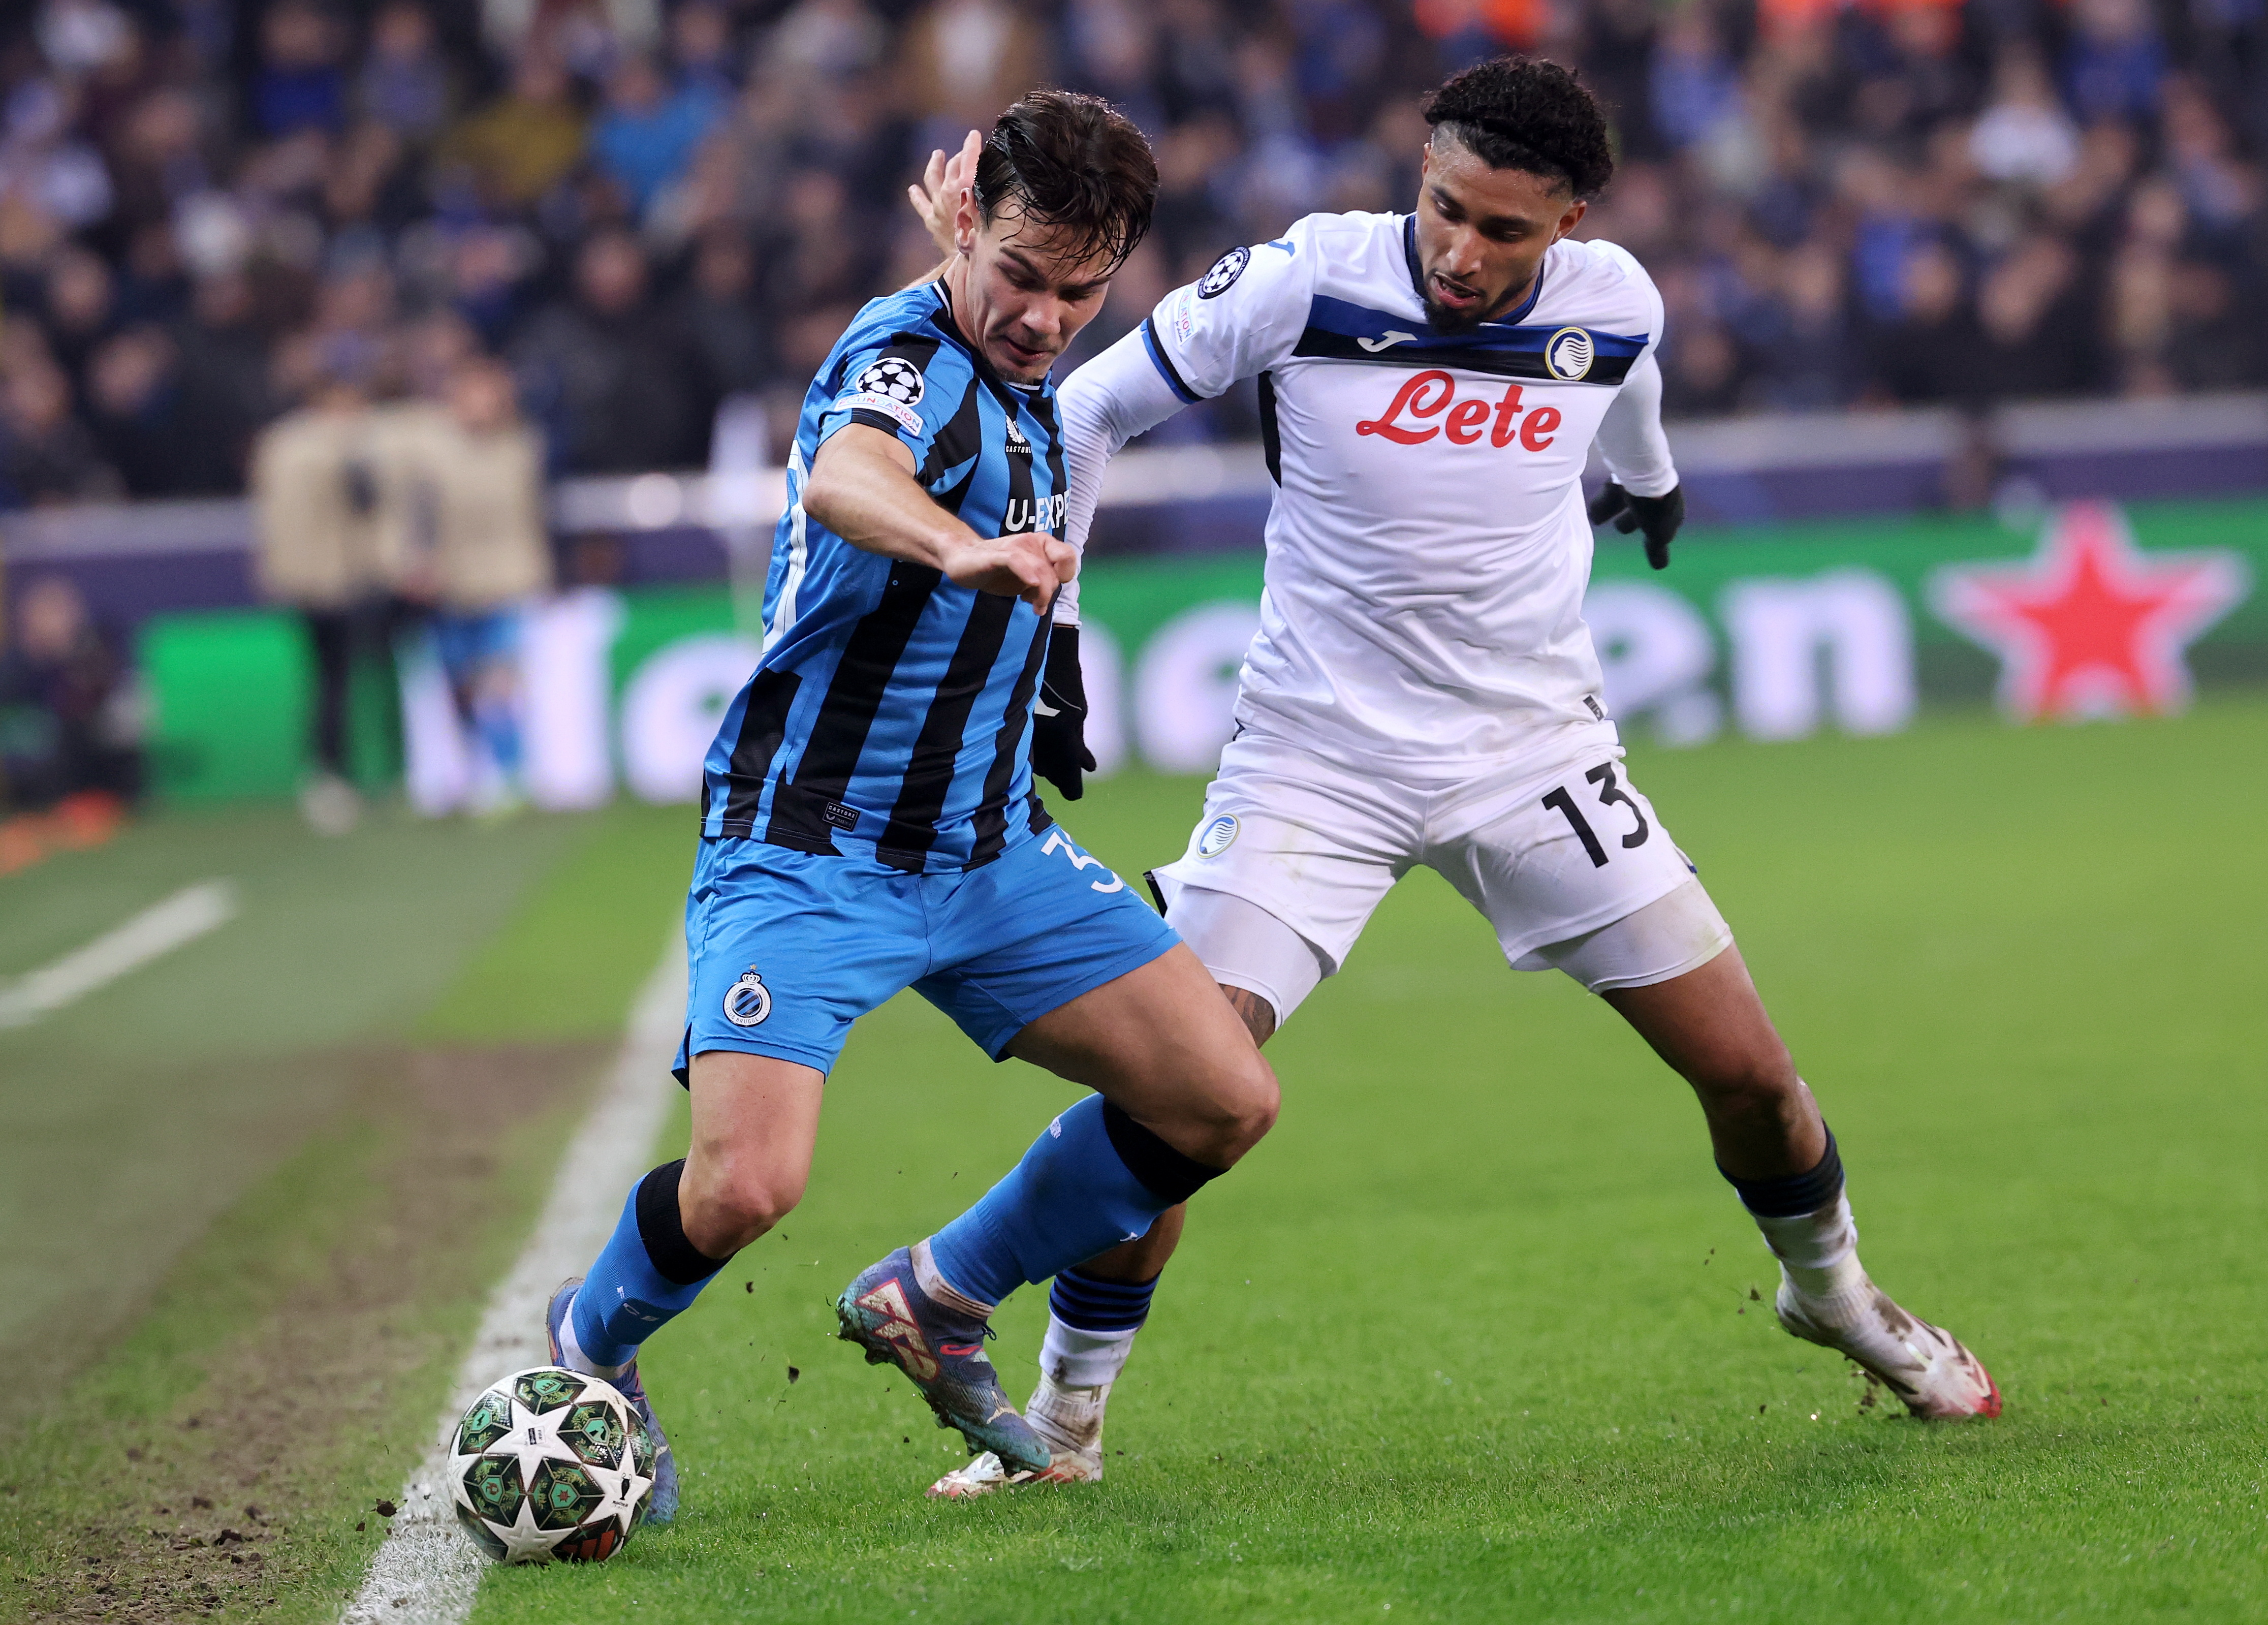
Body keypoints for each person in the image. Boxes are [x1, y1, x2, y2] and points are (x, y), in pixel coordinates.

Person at [907, 56, 1999, 1499]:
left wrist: (1653, 478)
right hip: (1317, 762)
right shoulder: (1306, 281)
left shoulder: (1614, 299)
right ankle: (1066, 1417)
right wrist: (1053, 633)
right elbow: (1090, 409)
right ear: (1416, 167)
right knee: (1183, 1088)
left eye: (1507, 231)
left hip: (1535, 752)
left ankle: (1837, 1295)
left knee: (1752, 1077)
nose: (1463, 252)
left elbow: (1633, 378)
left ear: (1572, 224)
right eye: (1446, 208)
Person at [539, 89, 1279, 1524]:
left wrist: (1040, 666)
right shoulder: (899, 354)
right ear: (965, 227)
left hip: (988, 845)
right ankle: (592, 1341)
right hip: (810, 843)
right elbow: (845, 476)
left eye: (1080, 291)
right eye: (1019, 277)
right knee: (747, 1185)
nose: (1046, 316)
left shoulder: (1018, 349)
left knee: (1220, 1096)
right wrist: (961, 550)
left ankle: (940, 1292)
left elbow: (1011, 349)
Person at [382, 357, 552, 816]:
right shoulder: (430, 453)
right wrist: (415, 563)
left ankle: (511, 773)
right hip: (452, 583)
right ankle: (473, 770)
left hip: (508, 579)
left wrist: (541, 572)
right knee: (459, 686)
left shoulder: (521, 449)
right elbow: (415, 517)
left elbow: (534, 516)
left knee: (499, 680)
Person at [249, 374, 401, 834]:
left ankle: (341, 771)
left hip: (320, 578)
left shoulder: (280, 446)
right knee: (341, 680)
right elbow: (363, 506)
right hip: (335, 579)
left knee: (337, 679)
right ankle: (344, 771)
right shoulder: (335, 448)